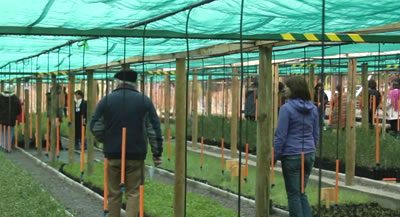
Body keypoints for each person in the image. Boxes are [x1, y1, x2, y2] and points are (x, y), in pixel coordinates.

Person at [90, 69, 163, 217]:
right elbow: (153, 129)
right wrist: (157, 153)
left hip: (113, 154)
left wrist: (107, 140)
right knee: (133, 192)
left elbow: (95, 126)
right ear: (134, 83)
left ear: (118, 82)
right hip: (136, 155)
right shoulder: (144, 101)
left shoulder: (106, 100)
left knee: (113, 193)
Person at [274, 76, 319, 217]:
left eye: (287, 86)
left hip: (292, 155)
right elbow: (315, 134)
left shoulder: (286, 109)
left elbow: (280, 136)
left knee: (293, 194)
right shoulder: (313, 109)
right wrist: (311, 150)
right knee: (301, 192)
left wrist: (274, 156)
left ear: (294, 89)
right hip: (308, 154)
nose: (284, 89)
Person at [0, 83, 22, 152]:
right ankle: (8, 147)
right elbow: (19, 110)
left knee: (2, 133)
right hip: (11, 119)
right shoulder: (15, 98)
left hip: (1, 119)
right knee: (10, 133)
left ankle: (2, 146)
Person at [46, 84, 65, 150]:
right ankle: (57, 145)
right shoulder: (57, 97)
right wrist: (60, 118)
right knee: (56, 132)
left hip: (50, 116)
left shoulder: (49, 97)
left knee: (51, 131)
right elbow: (59, 108)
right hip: (56, 116)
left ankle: (50, 145)